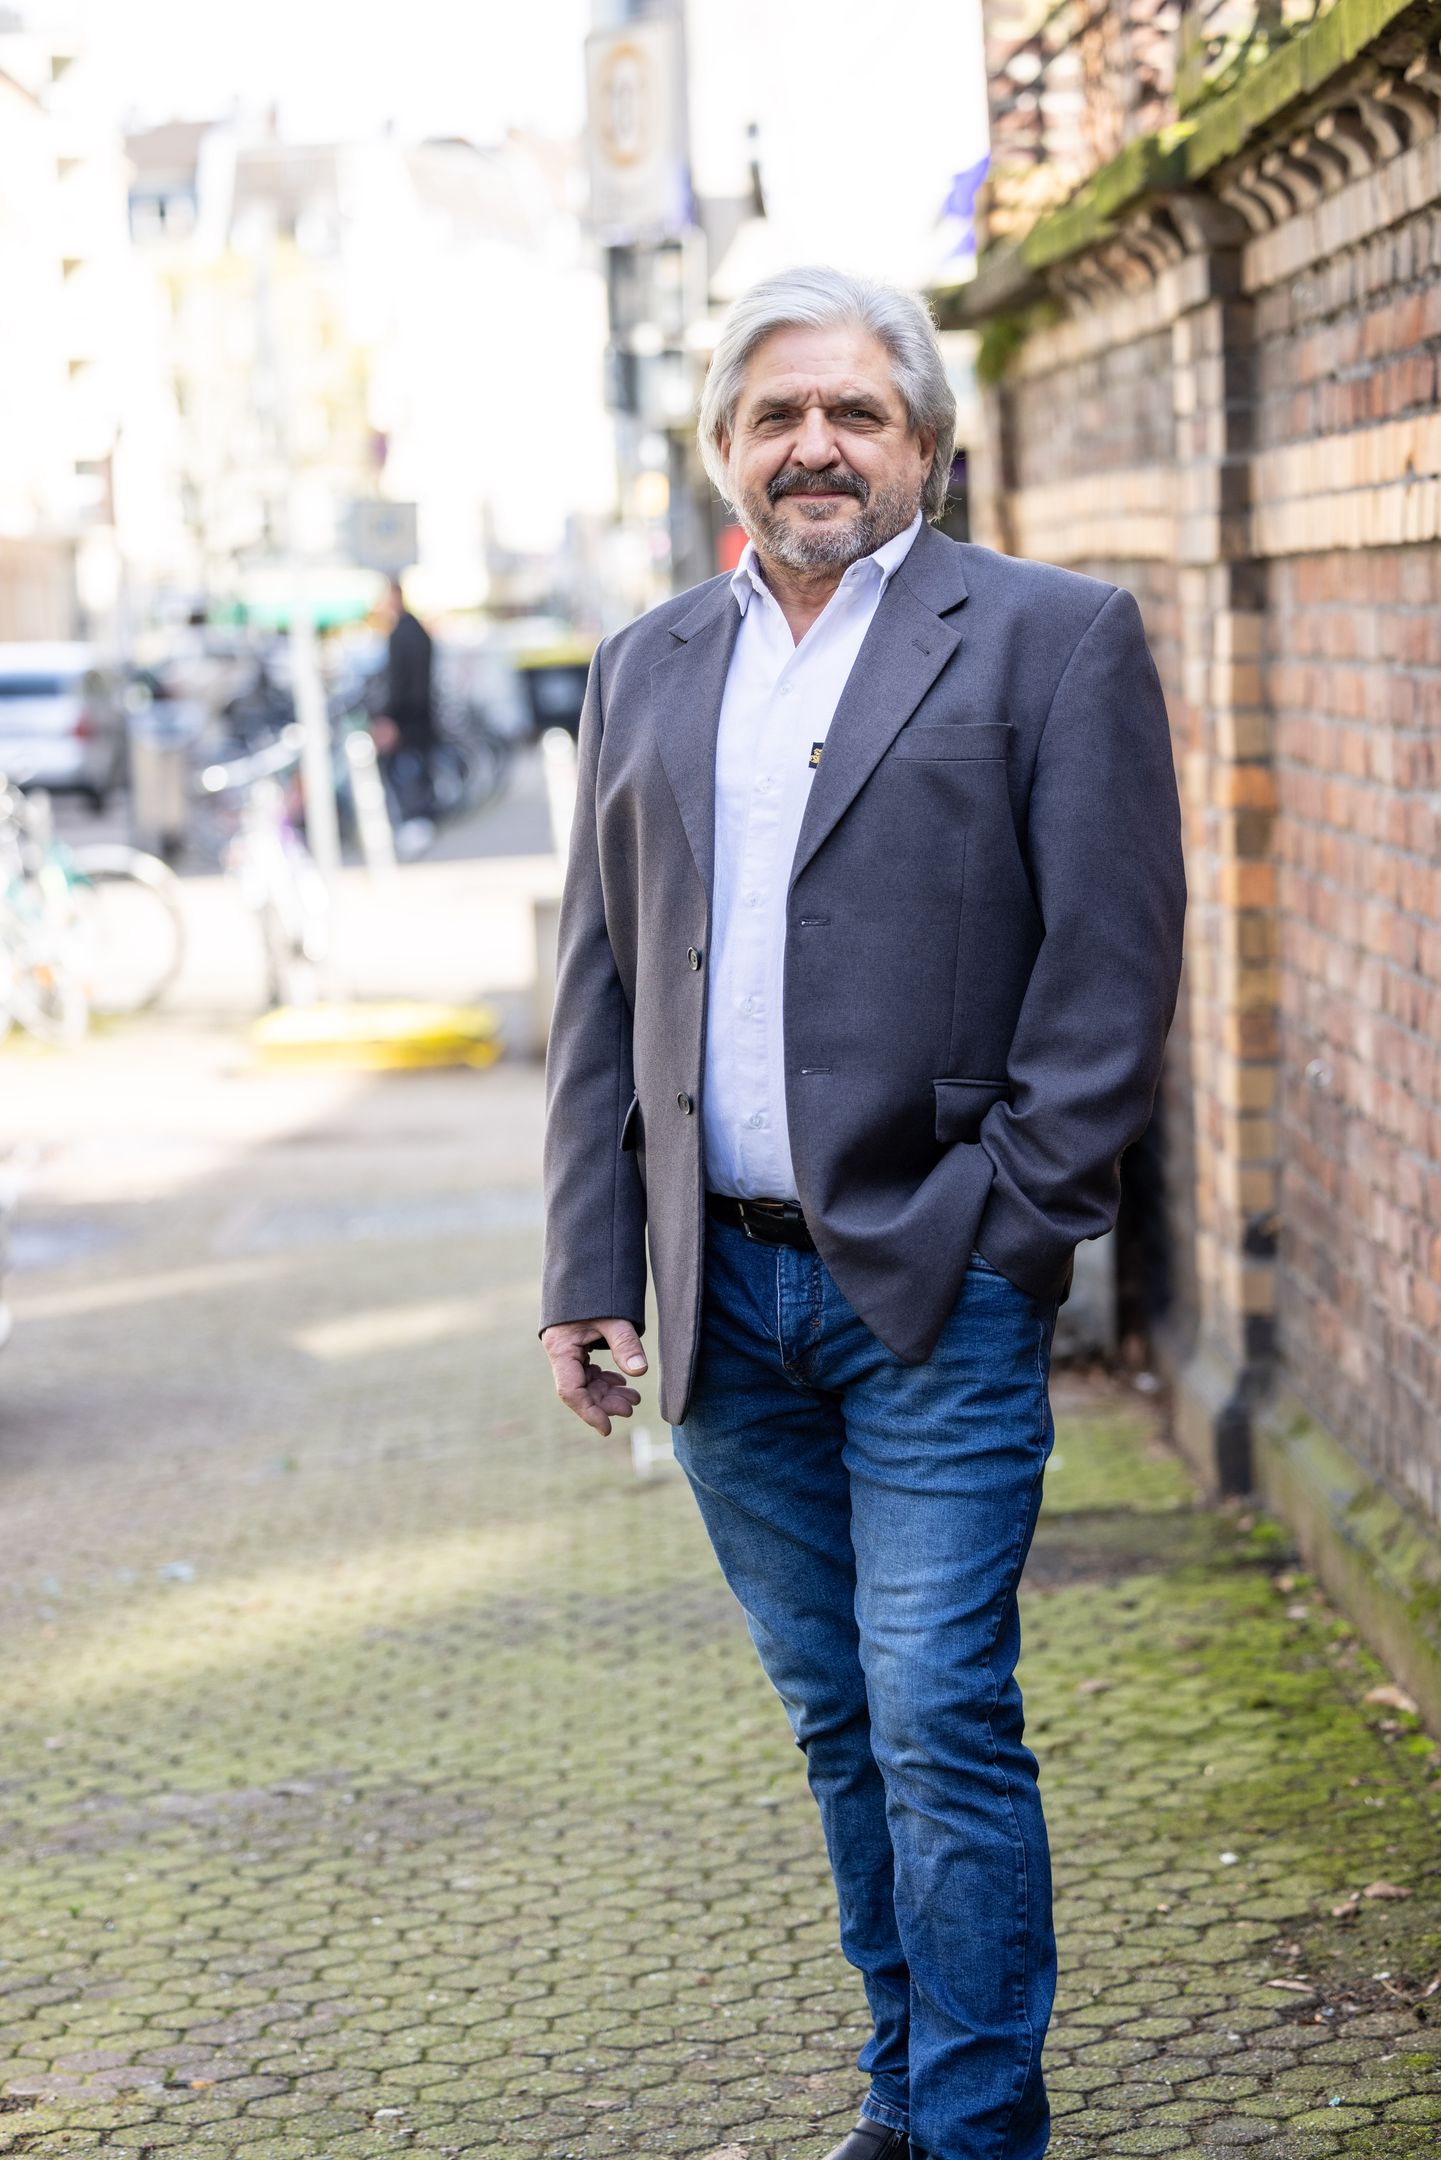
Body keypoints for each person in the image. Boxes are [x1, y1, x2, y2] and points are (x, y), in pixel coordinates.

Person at [539, 266, 1186, 2160]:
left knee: (936, 1714)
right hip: (717, 1301)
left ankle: (978, 2131)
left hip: (938, 1286)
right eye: (776, 415)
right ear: (723, 452)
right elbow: (598, 991)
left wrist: (1016, 1231)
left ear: (927, 443)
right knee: (837, 1716)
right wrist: (587, 1269)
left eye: (855, 412)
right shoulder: (647, 662)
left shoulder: (1053, 639)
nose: (813, 446)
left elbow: (1111, 970)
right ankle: (904, 2085)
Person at [373, 576, 436, 821]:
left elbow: (398, 681)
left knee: (406, 771)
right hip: (421, 711)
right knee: (419, 766)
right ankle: (423, 814)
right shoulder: (417, 630)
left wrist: (389, 715)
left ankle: (416, 816)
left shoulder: (400, 634)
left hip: (407, 714)